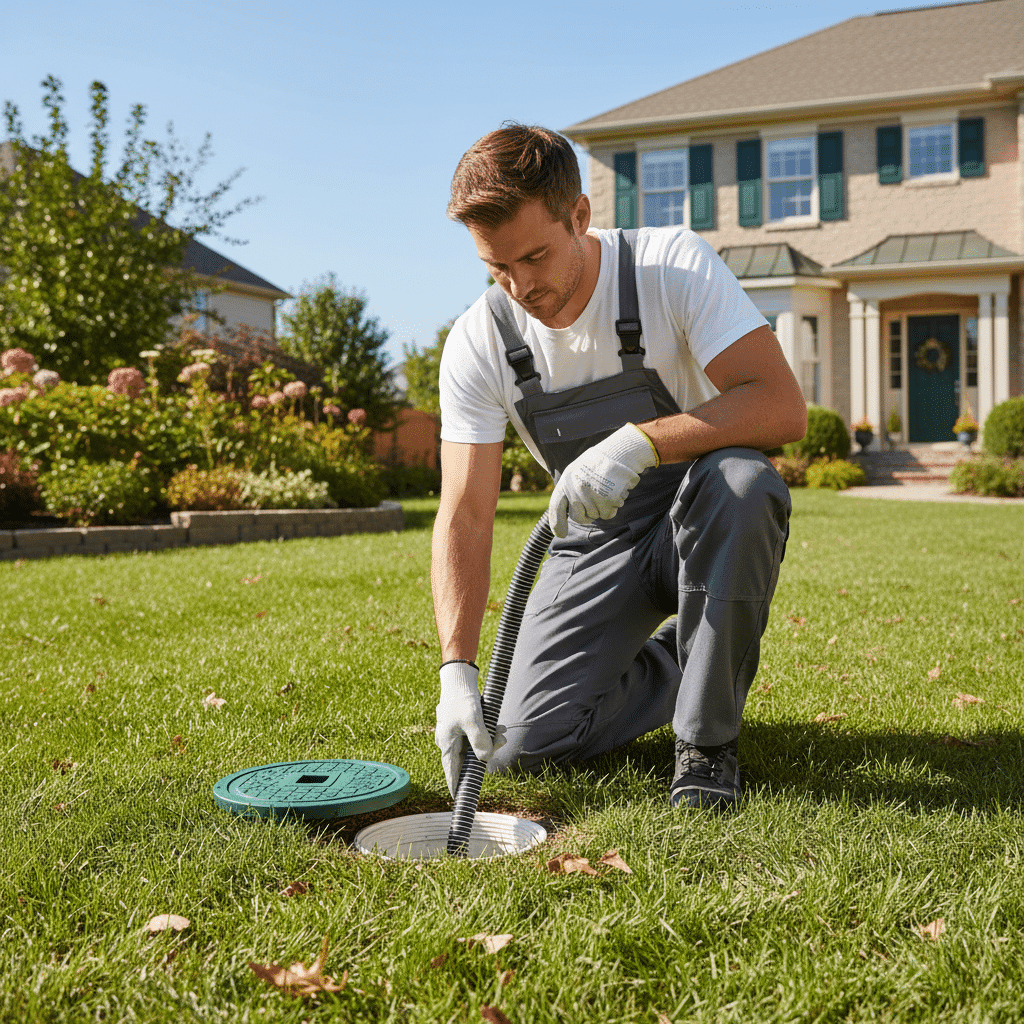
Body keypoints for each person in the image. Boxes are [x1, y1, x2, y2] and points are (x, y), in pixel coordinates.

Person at [432, 124, 806, 810]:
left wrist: (641, 442)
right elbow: (466, 509)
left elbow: (780, 406)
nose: (520, 286)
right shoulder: (479, 340)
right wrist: (457, 666)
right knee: (522, 746)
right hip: (599, 541)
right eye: (497, 268)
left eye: (534, 257)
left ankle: (706, 746)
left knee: (745, 484)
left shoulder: (668, 266)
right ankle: (686, 659)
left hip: (705, 512)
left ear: (580, 215)